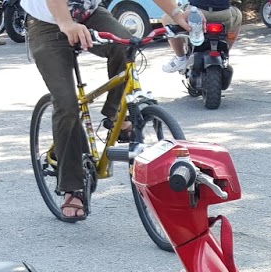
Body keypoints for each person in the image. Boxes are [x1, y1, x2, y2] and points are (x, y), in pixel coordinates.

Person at [27, 0, 188, 221]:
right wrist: (66, 23)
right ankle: (72, 187)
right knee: (67, 106)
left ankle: (116, 115)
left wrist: (177, 14)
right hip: (46, 22)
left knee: (126, 45)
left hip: (88, 15)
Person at [161, 0, 238, 74]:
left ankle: (180, 59)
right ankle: (224, 54)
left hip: (196, 12)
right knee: (238, 15)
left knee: (165, 18)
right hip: (223, 15)